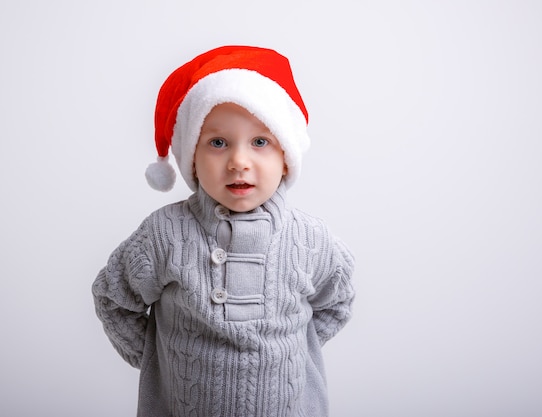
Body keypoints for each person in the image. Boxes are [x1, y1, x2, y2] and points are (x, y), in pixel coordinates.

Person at [92, 45, 355, 417]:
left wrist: (296, 352)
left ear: (285, 159)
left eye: (260, 142)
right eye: (218, 143)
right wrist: (161, 359)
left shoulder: (311, 240)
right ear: (192, 160)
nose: (238, 162)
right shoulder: (165, 234)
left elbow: (337, 301)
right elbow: (113, 297)